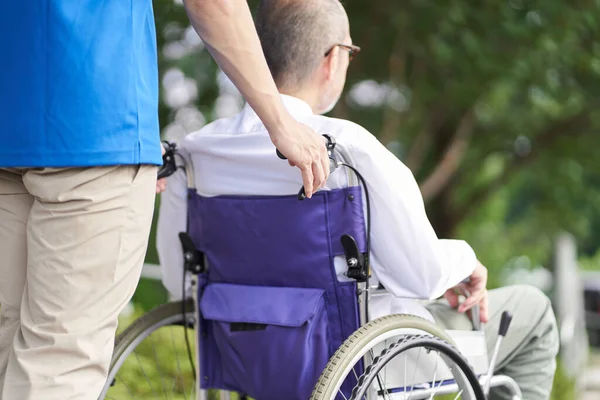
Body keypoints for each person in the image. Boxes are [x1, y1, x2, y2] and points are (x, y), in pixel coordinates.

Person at [157, 0, 560, 398]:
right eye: (350, 52)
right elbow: (420, 276)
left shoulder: (195, 152)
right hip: (370, 360)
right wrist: (466, 261)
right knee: (534, 309)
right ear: (332, 59)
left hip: (244, 356)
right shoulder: (348, 148)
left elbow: (181, 284)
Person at [0, 1, 331, 399]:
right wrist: (280, 123)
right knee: (58, 360)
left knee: (7, 342)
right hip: (95, 126)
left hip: (14, 123)